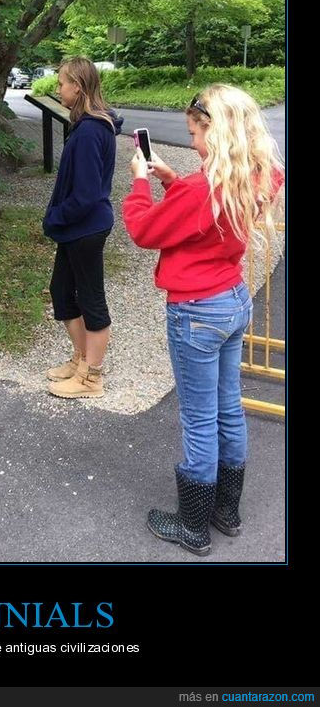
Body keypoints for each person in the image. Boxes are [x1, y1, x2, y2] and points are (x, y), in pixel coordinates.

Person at [122, 84, 284, 555]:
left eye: (195, 132)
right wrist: (174, 181)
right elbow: (207, 220)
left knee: (198, 418)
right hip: (234, 299)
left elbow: (144, 231)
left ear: (215, 130)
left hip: (196, 310)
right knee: (228, 406)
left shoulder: (201, 189)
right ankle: (226, 512)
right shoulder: (259, 174)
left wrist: (139, 181)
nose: (191, 141)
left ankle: (192, 525)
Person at [43, 57, 123, 398]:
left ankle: (92, 378)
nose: (58, 88)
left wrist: (55, 217)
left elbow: (88, 195)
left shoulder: (91, 131)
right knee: (62, 293)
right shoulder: (86, 125)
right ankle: (80, 360)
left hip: (86, 228)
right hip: (77, 227)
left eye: (62, 82)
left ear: (78, 86)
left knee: (91, 300)